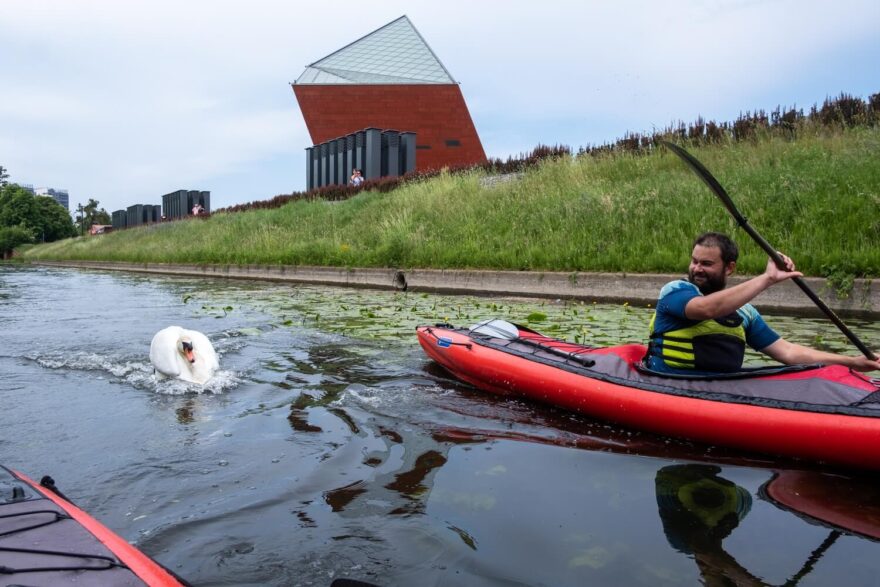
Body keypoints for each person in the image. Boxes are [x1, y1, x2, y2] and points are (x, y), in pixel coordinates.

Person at [645, 232, 879, 375]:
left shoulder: (745, 313)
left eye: (706, 263)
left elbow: (788, 352)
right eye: (694, 261)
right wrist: (768, 279)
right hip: (671, 383)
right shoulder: (675, 291)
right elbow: (706, 309)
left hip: (721, 390)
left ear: (729, 268)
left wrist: (853, 362)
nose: (697, 268)